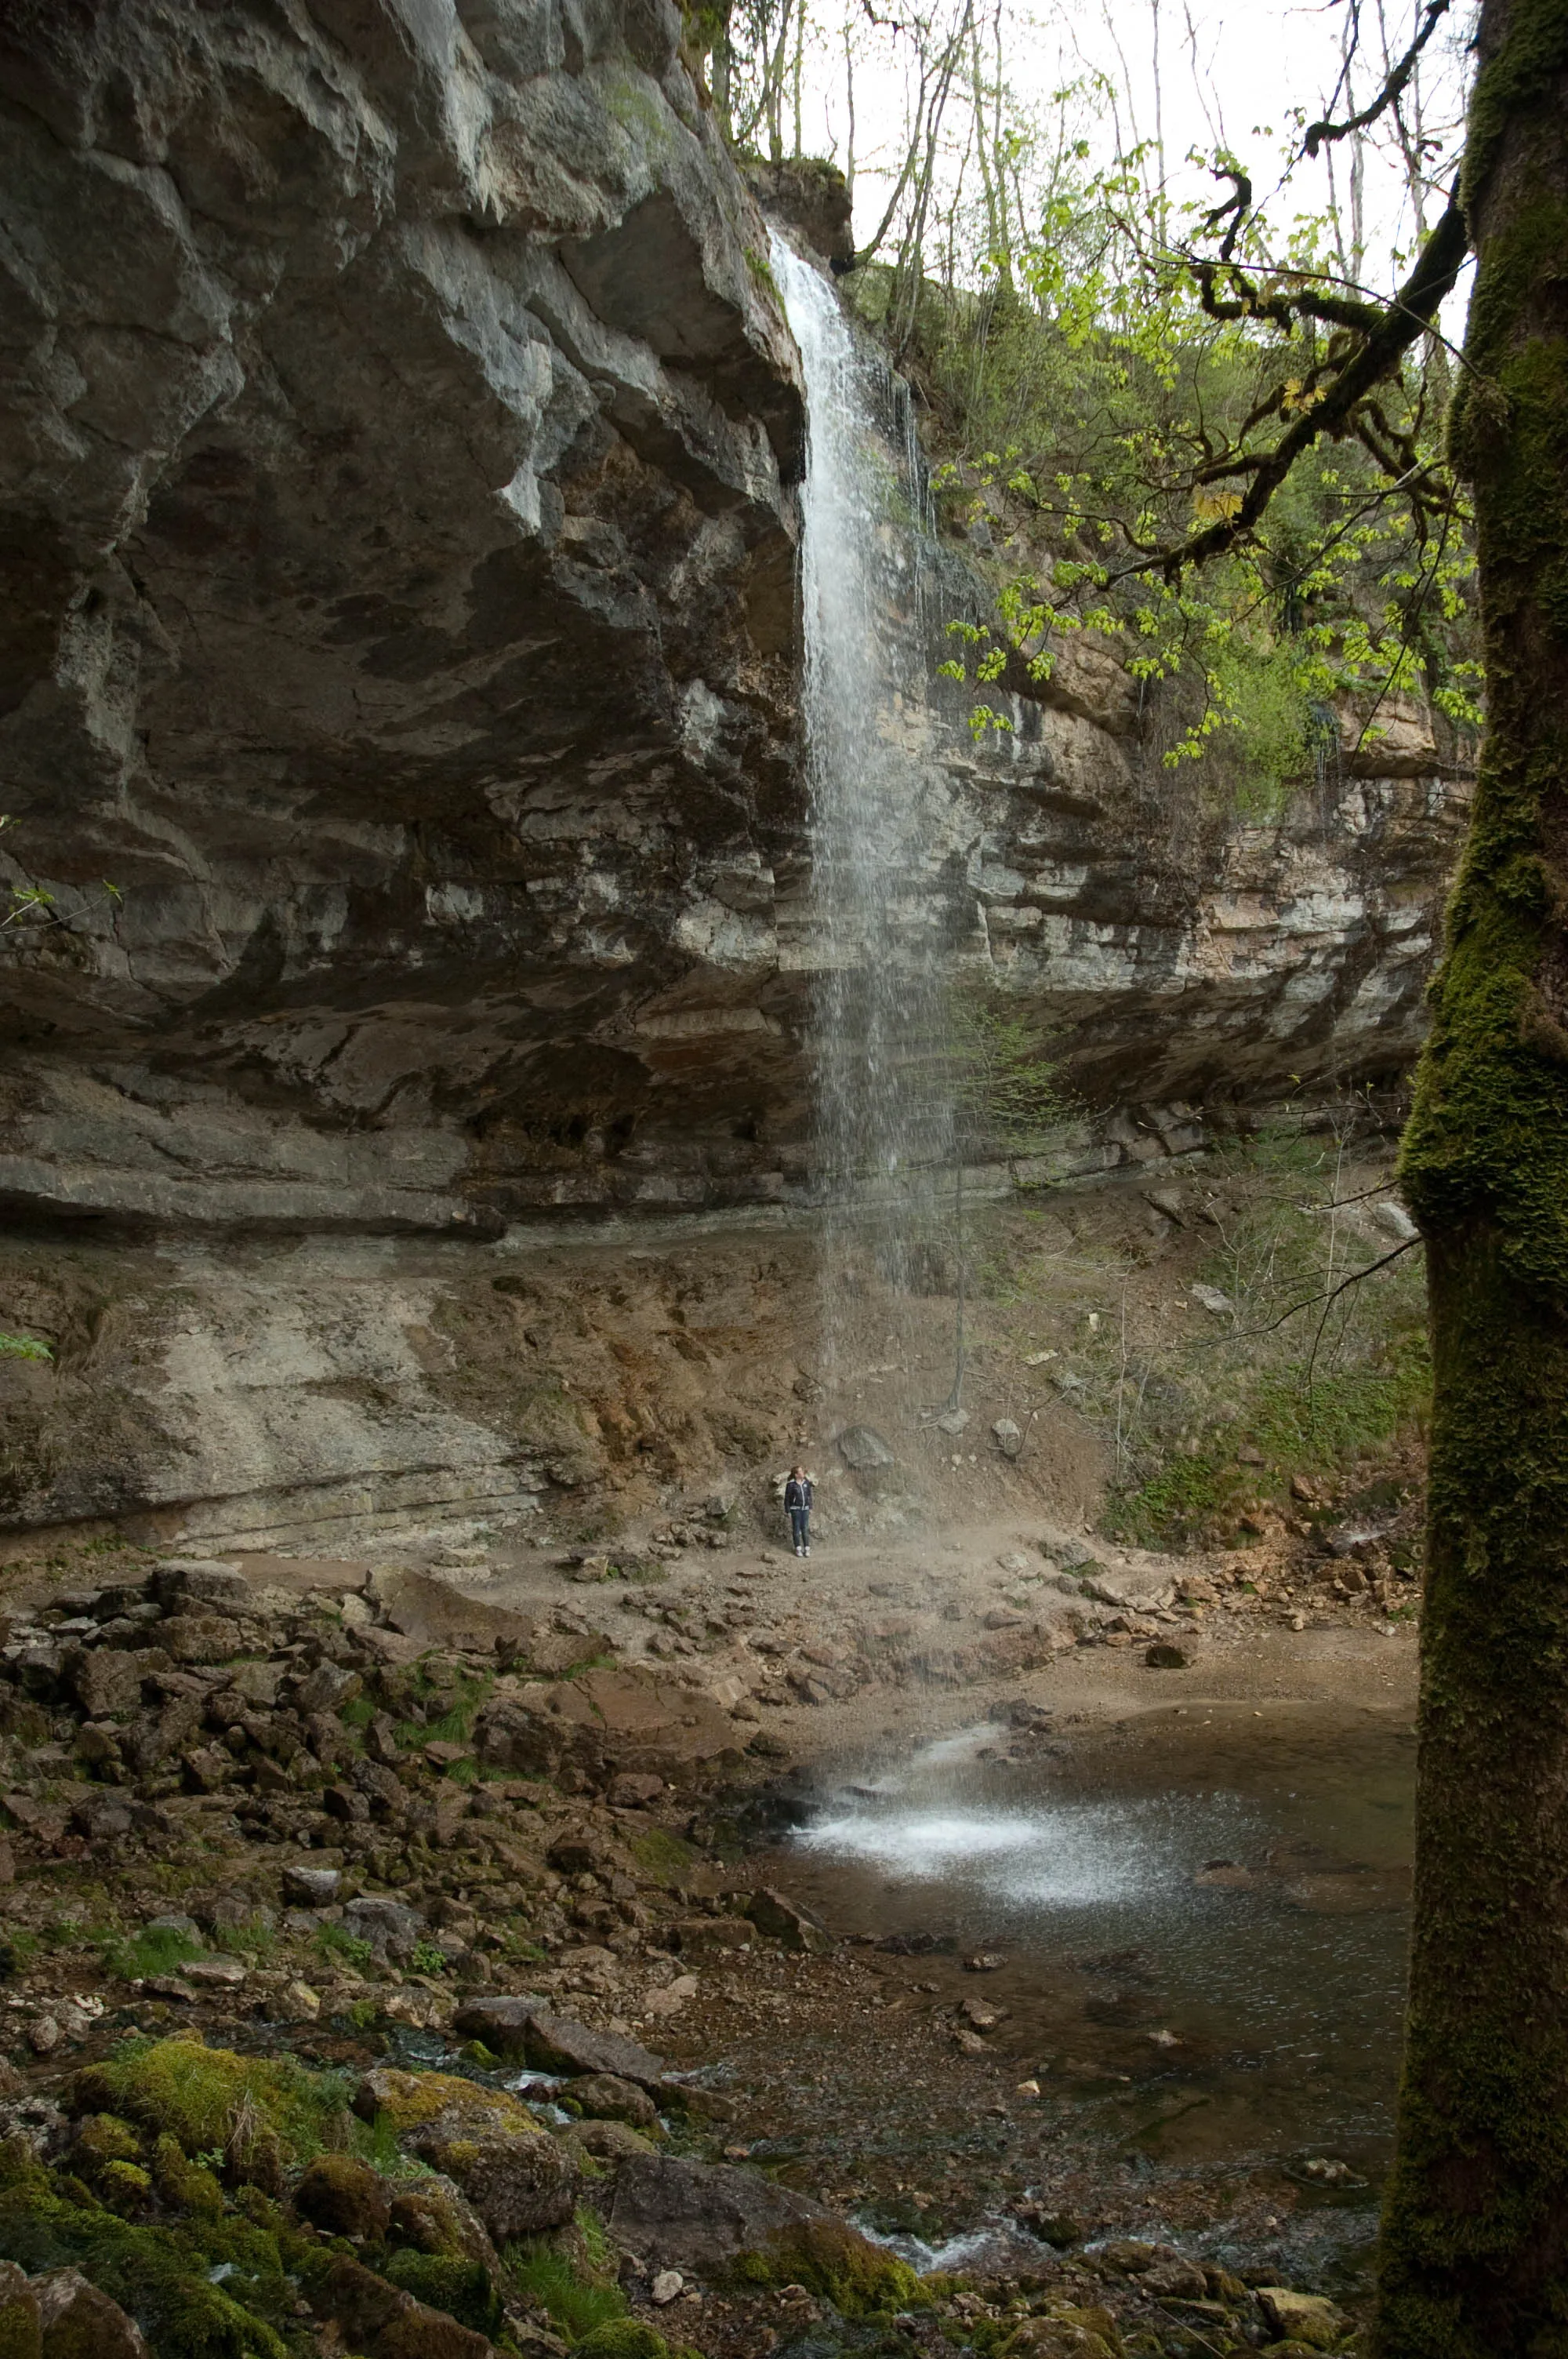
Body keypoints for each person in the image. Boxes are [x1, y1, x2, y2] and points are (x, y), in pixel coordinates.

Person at [784, 1464, 813, 1558]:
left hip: (805, 1510)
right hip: (796, 1510)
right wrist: (788, 1510)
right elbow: (787, 1498)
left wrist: (810, 1507)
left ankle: (807, 1548)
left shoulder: (806, 1483)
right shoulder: (791, 1485)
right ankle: (798, 1548)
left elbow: (809, 1496)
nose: (803, 1472)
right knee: (796, 1529)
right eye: (800, 1471)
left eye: (802, 1471)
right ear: (796, 1475)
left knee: (805, 1528)